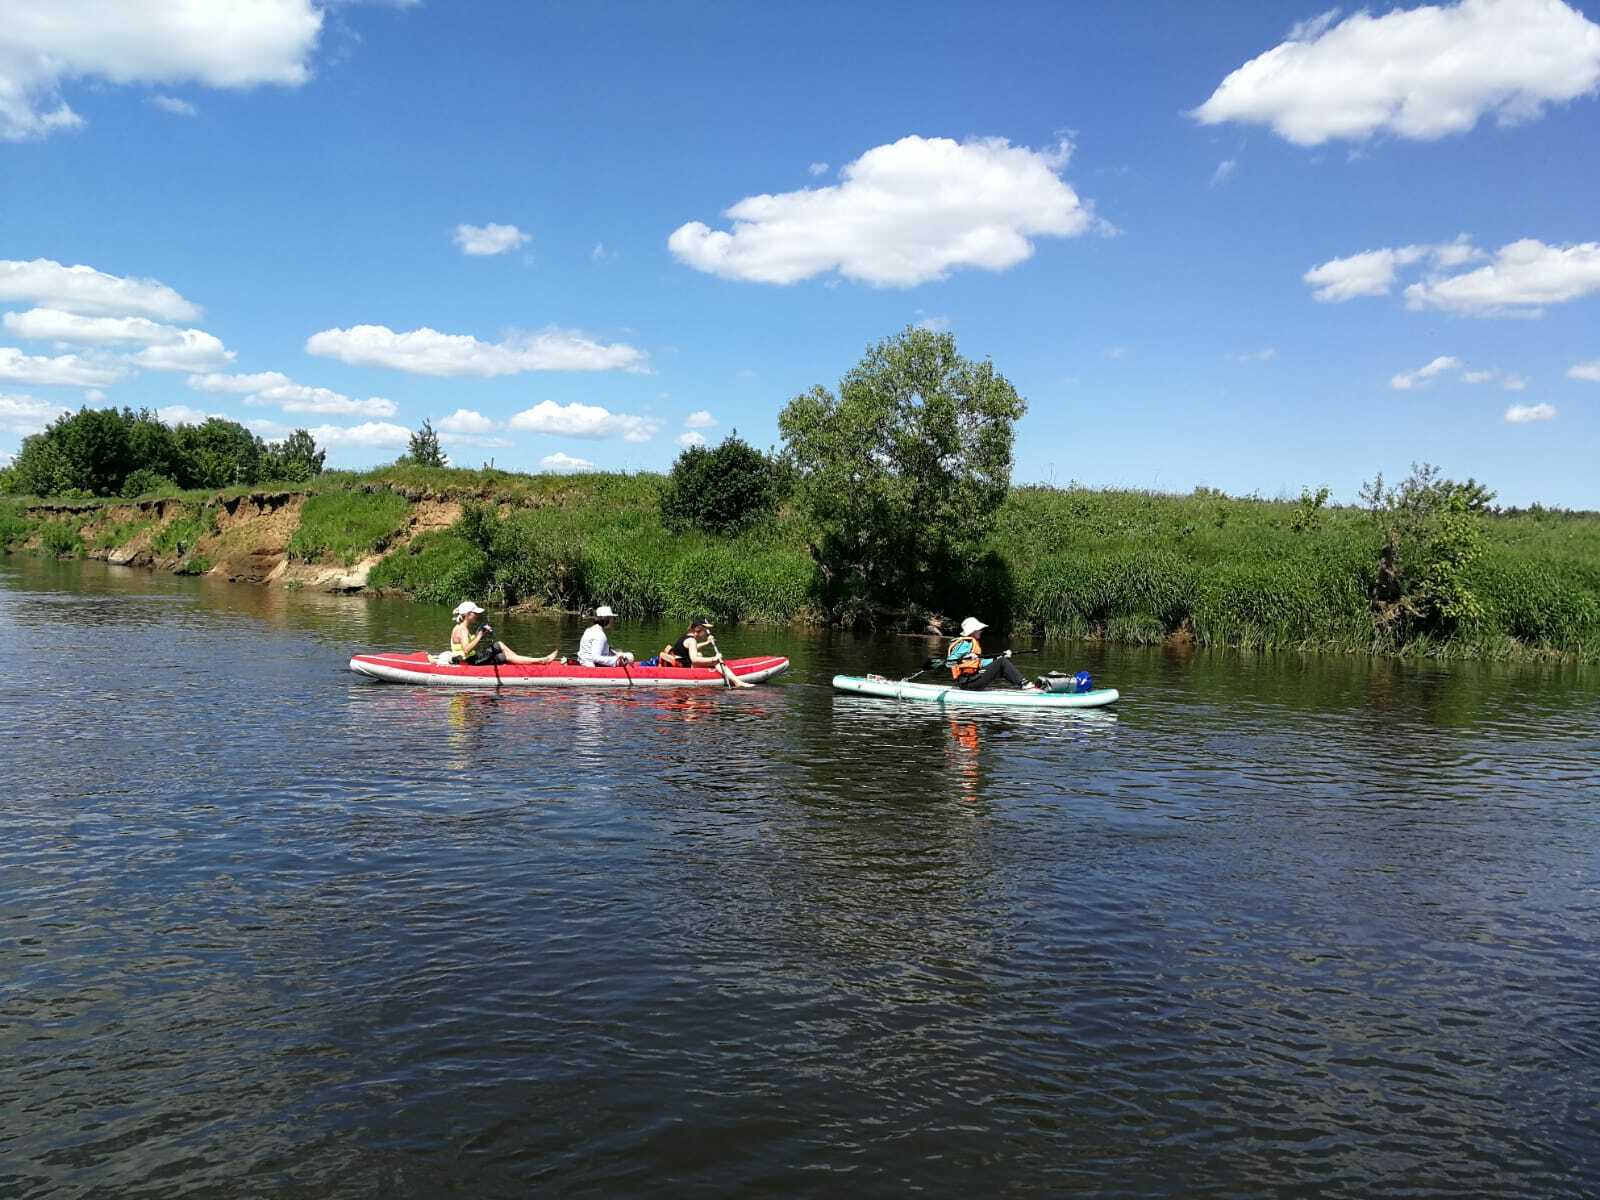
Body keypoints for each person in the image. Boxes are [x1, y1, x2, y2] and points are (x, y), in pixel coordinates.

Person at [645, 616, 754, 687]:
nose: (707, 632)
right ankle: (737, 682)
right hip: (685, 666)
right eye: (705, 630)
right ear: (699, 629)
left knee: (700, 654)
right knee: (714, 661)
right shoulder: (692, 640)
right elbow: (694, 659)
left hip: (681, 661)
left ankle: (724, 672)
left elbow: (691, 649)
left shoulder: (686, 637)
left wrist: (706, 643)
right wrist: (714, 659)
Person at [449, 601, 560, 666]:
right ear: (468, 614)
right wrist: (479, 635)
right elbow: (466, 649)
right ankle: (541, 660)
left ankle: (519, 659)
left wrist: (480, 631)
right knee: (504, 656)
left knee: (499, 644)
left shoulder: (459, 627)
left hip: (473, 657)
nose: (477, 615)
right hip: (471, 661)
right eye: (475, 613)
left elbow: (467, 644)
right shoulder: (462, 630)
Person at [945, 616, 1040, 691]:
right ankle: (1024, 684)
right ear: (972, 631)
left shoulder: (972, 642)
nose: (981, 631)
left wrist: (1001, 656)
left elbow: (981, 663)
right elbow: (949, 662)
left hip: (972, 680)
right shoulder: (965, 643)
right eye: (979, 629)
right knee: (1002, 662)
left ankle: (1022, 684)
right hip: (968, 682)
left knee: (1001, 660)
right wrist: (965, 657)